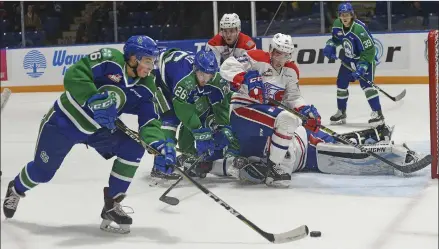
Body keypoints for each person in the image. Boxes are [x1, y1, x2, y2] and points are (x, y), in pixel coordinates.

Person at [2, 35, 176, 234]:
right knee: (42, 173)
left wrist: (160, 144)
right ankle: (16, 188)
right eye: (148, 61)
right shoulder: (109, 59)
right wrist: (92, 99)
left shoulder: (147, 86)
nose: (151, 66)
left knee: (133, 148)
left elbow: (149, 121)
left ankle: (112, 203)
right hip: (63, 123)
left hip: (98, 130)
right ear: (133, 58)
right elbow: (74, 75)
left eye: (153, 61)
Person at [219, 33, 321, 187]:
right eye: (278, 53)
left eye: (286, 55)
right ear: (271, 50)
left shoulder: (291, 70)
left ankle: (269, 165)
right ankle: (273, 168)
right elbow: (227, 66)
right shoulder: (256, 57)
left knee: (294, 120)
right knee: (287, 120)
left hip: (267, 115)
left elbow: (293, 97)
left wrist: (305, 110)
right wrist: (245, 77)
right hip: (243, 109)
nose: (281, 59)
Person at [182, 123, 423, 186]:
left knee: (344, 155)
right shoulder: (231, 148)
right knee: (336, 144)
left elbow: (235, 165)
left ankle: (399, 155)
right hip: (299, 148)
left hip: (300, 146)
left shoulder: (240, 133)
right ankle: (375, 133)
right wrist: (202, 167)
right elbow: (230, 166)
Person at [151, 48, 235, 179]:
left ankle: (188, 156)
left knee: (202, 110)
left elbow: (222, 107)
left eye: (209, 75)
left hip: (178, 71)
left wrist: (224, 129)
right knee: (170, 120)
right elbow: (185, 112)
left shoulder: (218, 80)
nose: (204, 80)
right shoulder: (185, 81)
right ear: (195, 69)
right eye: (201, 74)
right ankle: (160, 164)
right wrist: (200, 134)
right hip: (162, 80)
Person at [323, 2, 384, 126]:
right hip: (348, 59)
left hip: (364, 58)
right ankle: (341, 112)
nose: (344, 17)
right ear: (339, 16)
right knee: (341, 84)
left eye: (347, 14)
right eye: (342, 15)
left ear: (352, 15)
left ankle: (378, 113)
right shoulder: (336, 25)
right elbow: (335, 39)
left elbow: (370, 49)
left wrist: (363, 66)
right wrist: (330, 46)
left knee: (367, 86)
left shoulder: (359, 29)